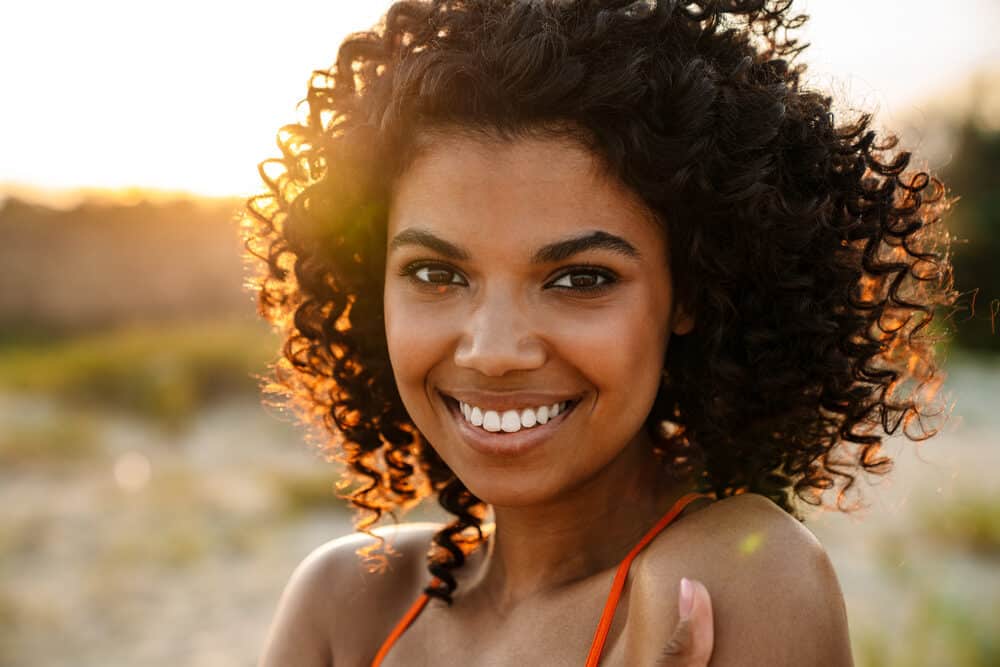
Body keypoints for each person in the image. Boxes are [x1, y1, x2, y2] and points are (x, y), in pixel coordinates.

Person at [243, 0, 956, 664]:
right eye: (436, 273)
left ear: (690, 290)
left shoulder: (733, 573)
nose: (492, 351)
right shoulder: (345, 600)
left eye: (580, 278)